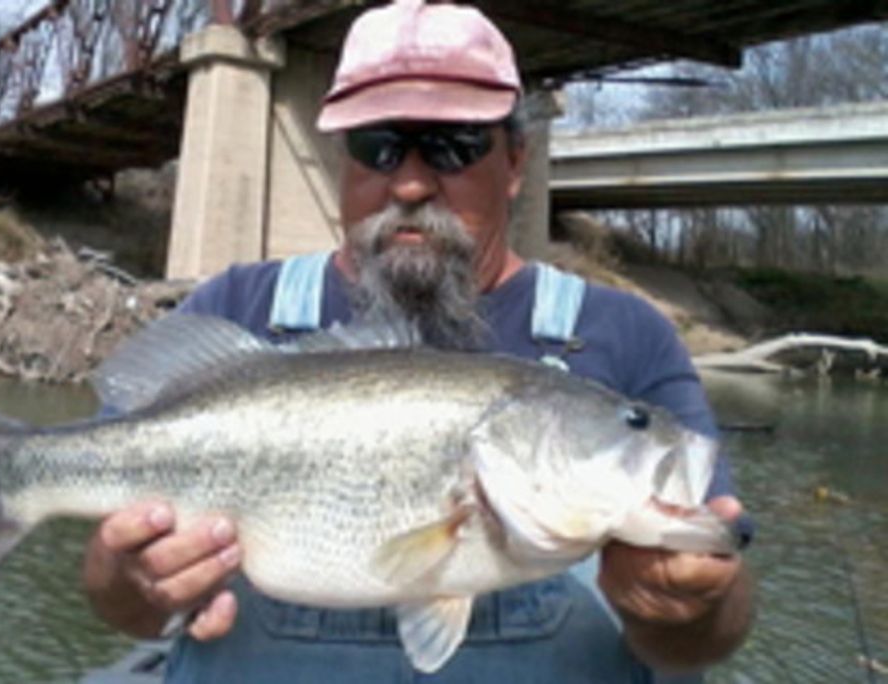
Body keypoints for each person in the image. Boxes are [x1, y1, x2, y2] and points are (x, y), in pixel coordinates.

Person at [83, 1, 754, 681]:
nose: (409, 182)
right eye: (377, 144)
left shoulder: (626, 336)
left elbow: (705, 641)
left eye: (453, 146)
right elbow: (117, 594)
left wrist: (686, 607)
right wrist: (133, 581)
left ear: (515, 162)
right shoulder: (237, 309)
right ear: (340, 157)